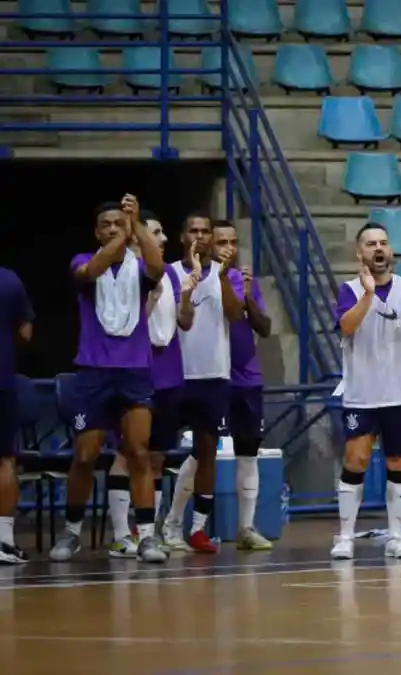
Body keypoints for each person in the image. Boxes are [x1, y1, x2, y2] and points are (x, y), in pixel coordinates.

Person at [50, 196, 170, 563]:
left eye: (120, 223)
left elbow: (157, 266)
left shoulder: (139, 268)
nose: (114, 229)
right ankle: (71, 532)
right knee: (85, 456)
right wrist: (127, 231)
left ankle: (147, 536)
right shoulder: (83, 262)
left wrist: (138, 228)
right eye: (107, 225)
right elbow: (94, 269)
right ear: (96, 231)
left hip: (134, 370)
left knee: (138, 452)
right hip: (94, 372)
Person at [331, 223, 401, 560]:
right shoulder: (349, 289)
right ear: (359, 253)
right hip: (362, 393)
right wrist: (369, 294)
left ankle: (396, 535)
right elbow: (346, 325)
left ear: (390, 251)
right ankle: (345, 536)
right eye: (371, 243)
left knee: (399, 462)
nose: (378, 248)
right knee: (356, 459)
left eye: (383, 243)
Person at [106, 210, 189, 557]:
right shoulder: (124, 273)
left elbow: (181, 323)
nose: (163, 238)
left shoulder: (171, 272)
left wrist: (188, 295)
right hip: (136, 370)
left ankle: (148, 533)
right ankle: (123, 535)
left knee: (155, 457)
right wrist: (150, 296)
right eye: (155, 232)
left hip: (169, 373)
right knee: (128, 453)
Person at [162, 217, 244, 554]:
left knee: (206, 452)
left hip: (213, 375)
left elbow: (236, 314)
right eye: (193, 231)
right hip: (173, 374)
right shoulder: (167, 273)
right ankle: (158, 528)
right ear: (183, 236)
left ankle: (197, 529)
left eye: (205, 232)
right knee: (155, 454)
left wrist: (221, 278)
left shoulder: (226, 275)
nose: (199, 236)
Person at [226, 236, 274, 550]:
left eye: (233, 241)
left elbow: (265, 327)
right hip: (210, 380)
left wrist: (248, 298)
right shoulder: (194, 279)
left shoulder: (246, 281)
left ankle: (246, 528)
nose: (227, 248)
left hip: (247, 382)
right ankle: (175, 526)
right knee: (198, 453)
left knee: (248, 453)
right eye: (221, 242)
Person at [0, 265, 33, 564]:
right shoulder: (9, 279)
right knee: (4, 459)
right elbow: (25, 332)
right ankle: (3, 541)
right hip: (2, 381)